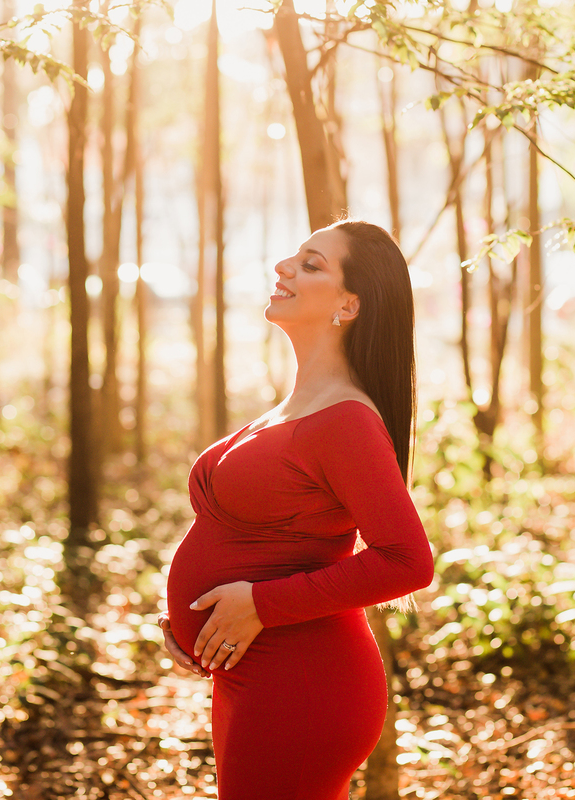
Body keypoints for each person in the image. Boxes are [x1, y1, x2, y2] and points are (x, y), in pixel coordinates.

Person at [156, 219, 434, 798]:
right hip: (256, 674)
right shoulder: (299, 405)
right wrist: (196, 622)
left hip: (301, 682)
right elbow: (261, 540)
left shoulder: (347, 420)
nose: (284, 267)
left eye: (311, 264)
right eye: (294, 257)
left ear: (348, 305)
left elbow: (408, 561)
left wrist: (259, 604)